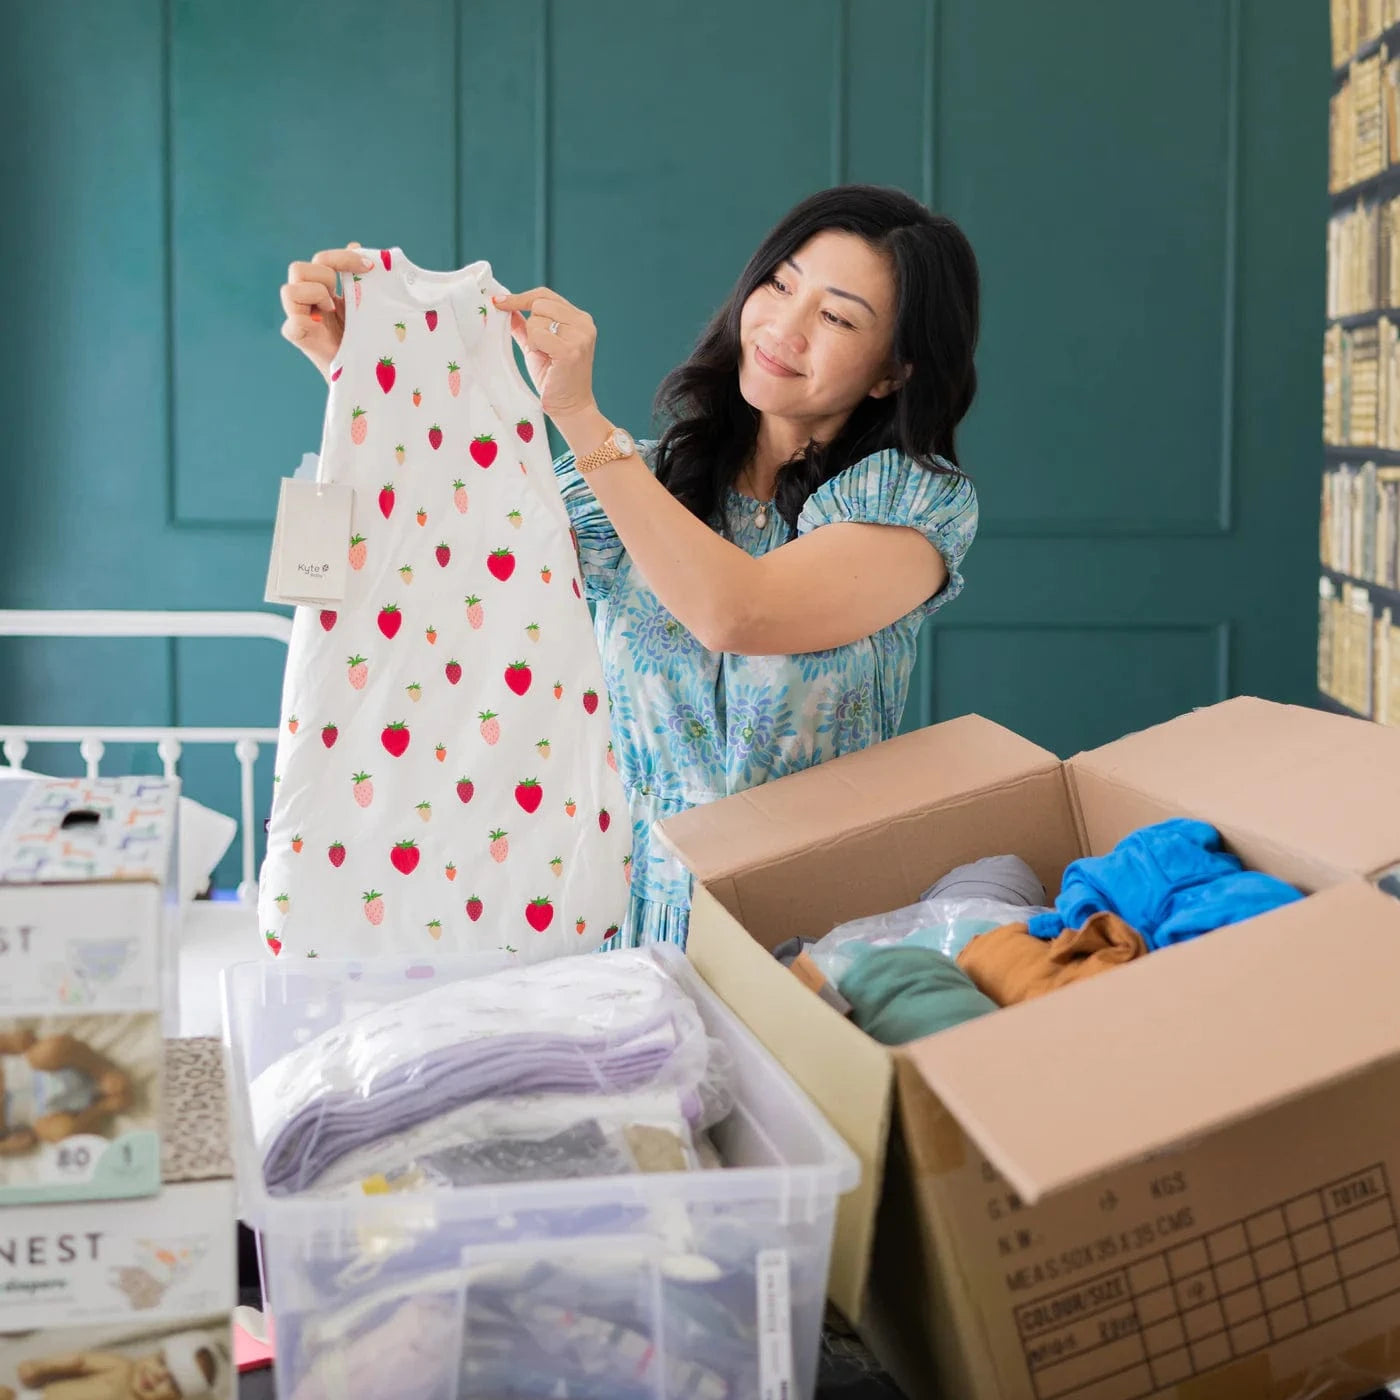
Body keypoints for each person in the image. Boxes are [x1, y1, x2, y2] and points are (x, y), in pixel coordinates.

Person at [280, 183, 980, 949]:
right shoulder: (629, 484)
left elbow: (736, 612)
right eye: (781, 283)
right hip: (608, 917)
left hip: (796, 929)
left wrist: (578, 415)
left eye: (837, 316)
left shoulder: (912, 504)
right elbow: (451, 565)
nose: (785, 325)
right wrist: (363, 378)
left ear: (892, 374)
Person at [0, 1327, 229, 1400]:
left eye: (174, 1385)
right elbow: (78, 1362)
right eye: (161, 1362)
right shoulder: (120, 1366)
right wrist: (42, 1366)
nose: (159, 1376)